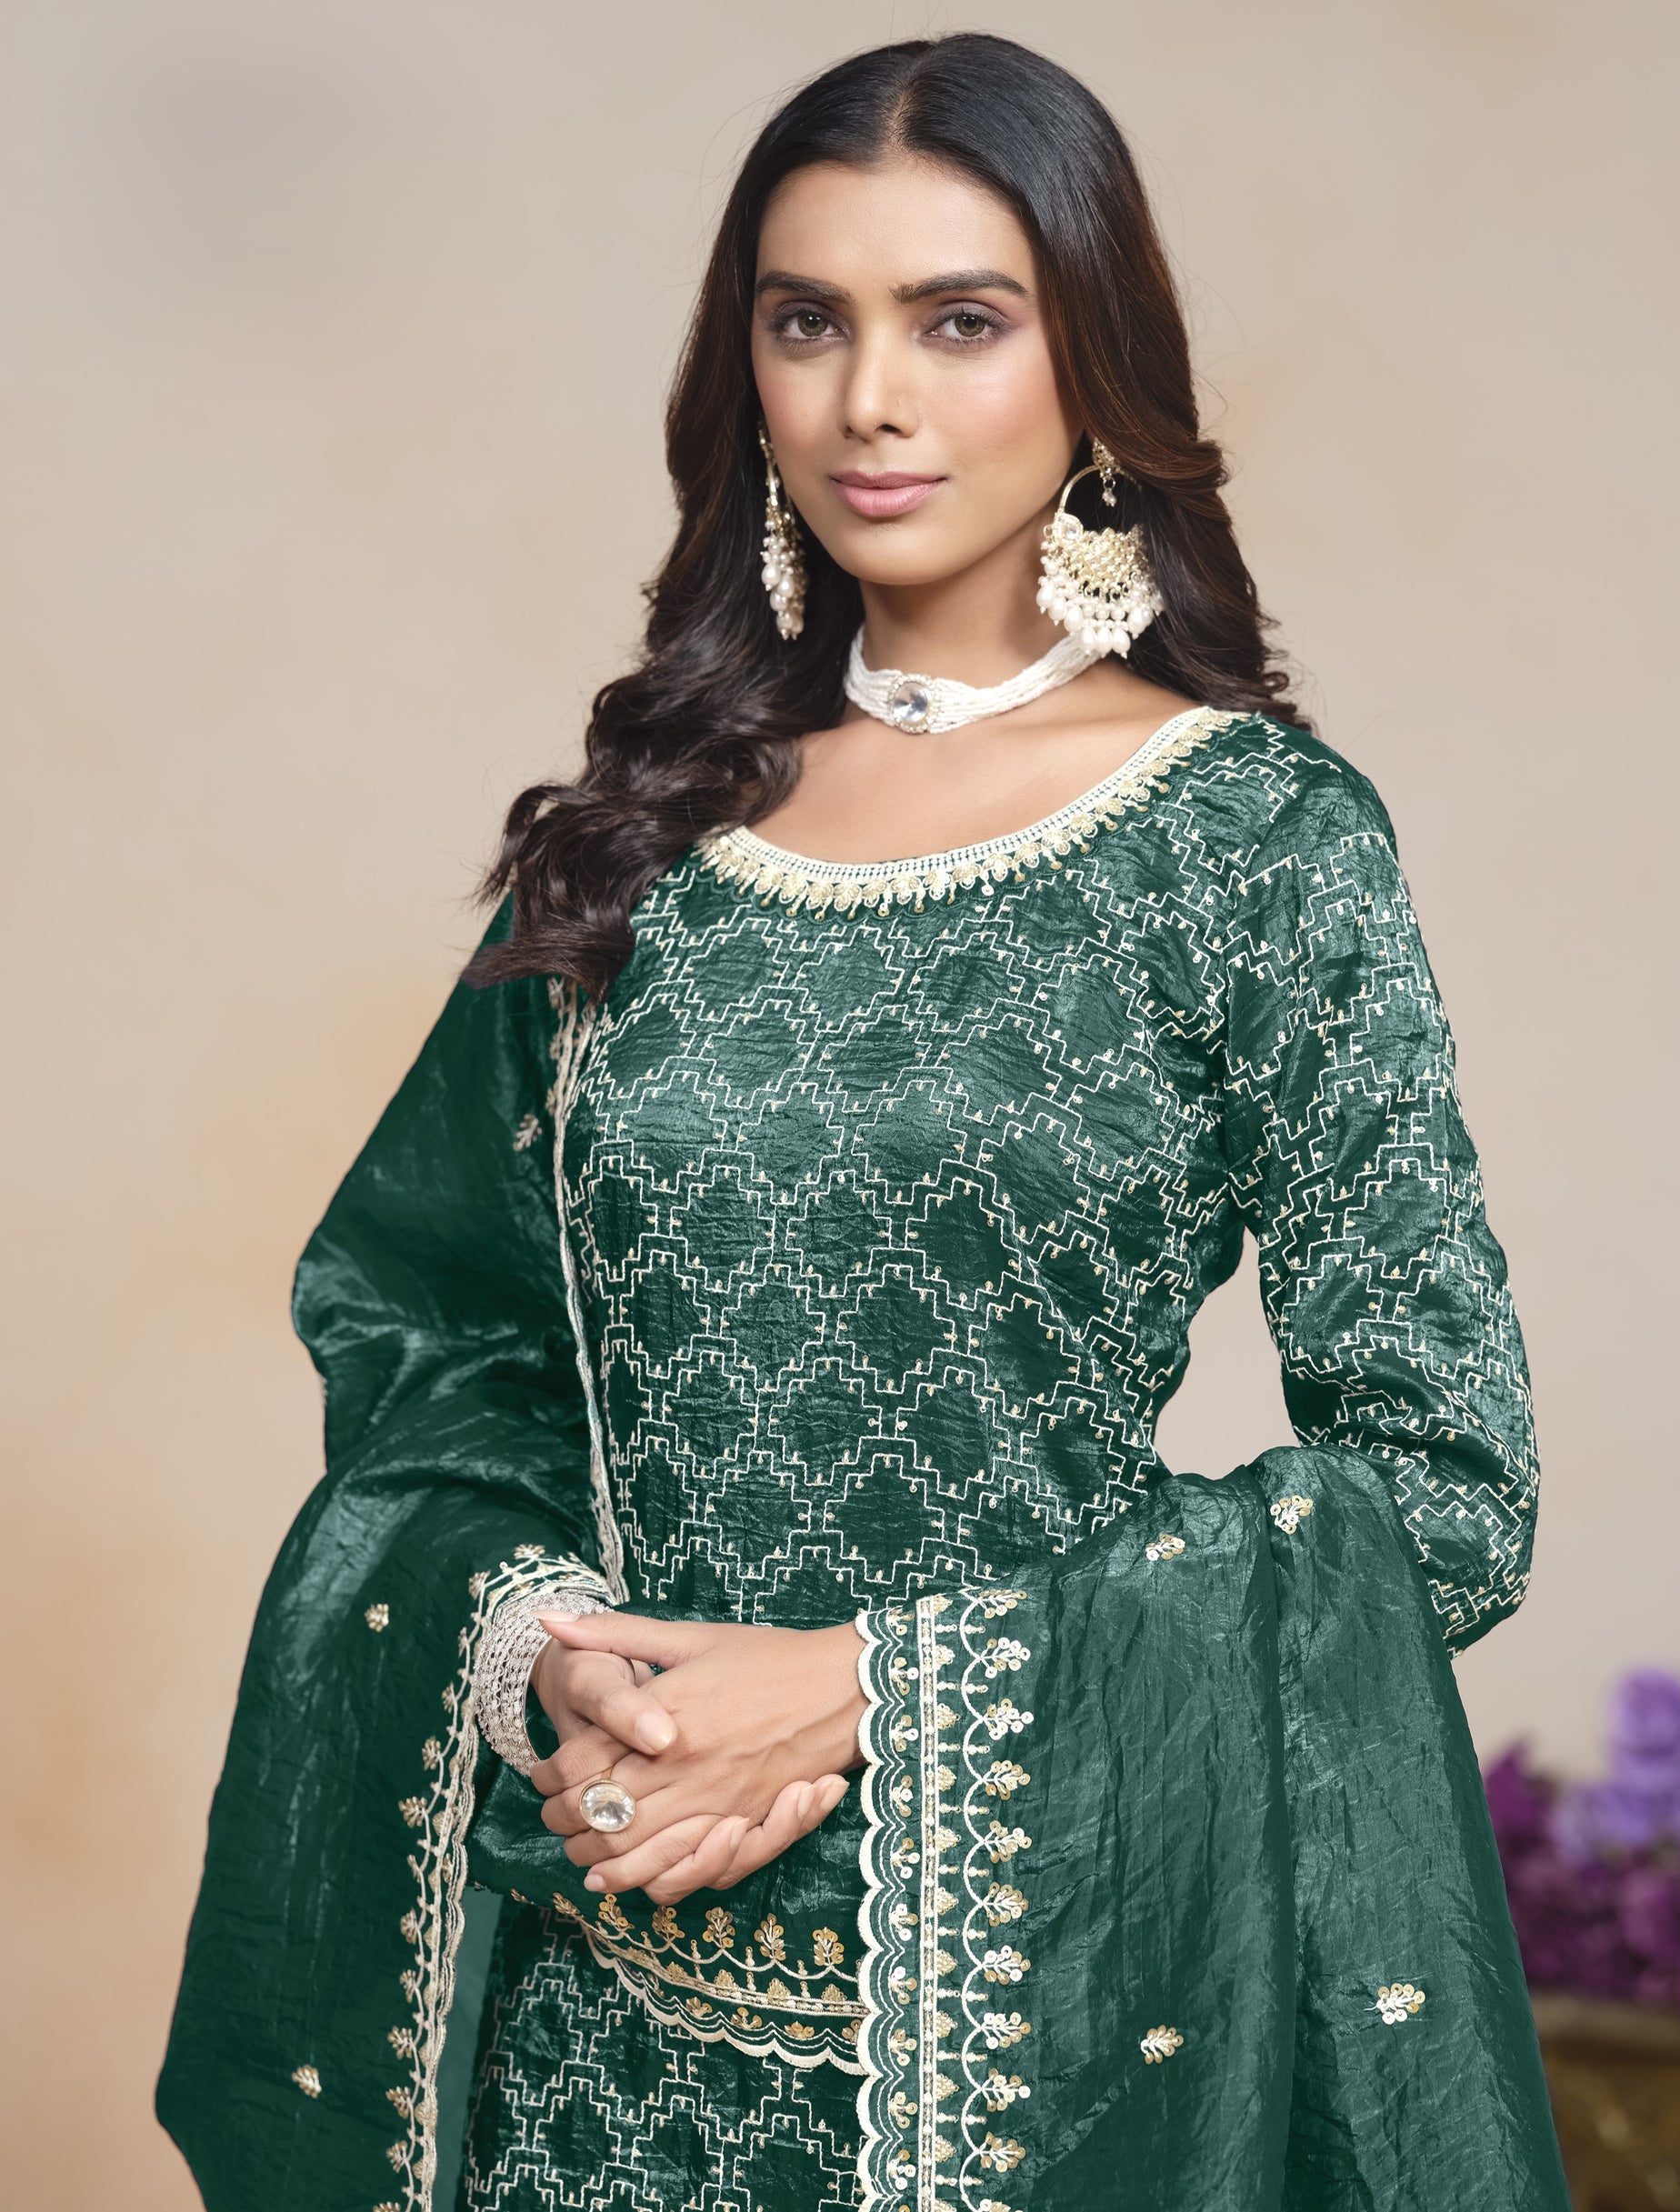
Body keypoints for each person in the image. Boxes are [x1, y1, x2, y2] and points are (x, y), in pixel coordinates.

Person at [160, 32, 1571, 2212]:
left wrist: (853, 1694)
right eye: (806, 319)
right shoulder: (641, 838)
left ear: (1095, 361)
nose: (867, 400)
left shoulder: (1251, 844)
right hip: (590, 2028)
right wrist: (556, 1647)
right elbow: (430, 1330)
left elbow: (1441, 1488)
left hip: (1047, 2052)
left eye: (960, 320)